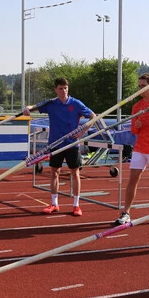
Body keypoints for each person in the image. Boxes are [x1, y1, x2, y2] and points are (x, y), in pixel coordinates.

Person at [24, 78, 97, 216]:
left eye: (65, 88)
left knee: (75, 173)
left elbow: (93, 116)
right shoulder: (51, 104)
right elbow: (33, 107)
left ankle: (76, 205)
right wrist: (27, 109)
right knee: (54, 172)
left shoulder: (76, 103)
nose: (63, 91)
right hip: (55, 143)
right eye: (60, 88)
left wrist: (82, 132)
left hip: (72, 144)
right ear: (55, 90)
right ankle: (54, 204)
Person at [113, 73, 149, 226]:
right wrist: (136, 127)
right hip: (140, 148)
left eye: (143, 86)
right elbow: (133, 130)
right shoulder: (136, 107)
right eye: (139, 86)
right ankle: (126, 212)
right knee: (132, 180)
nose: (141, 89)